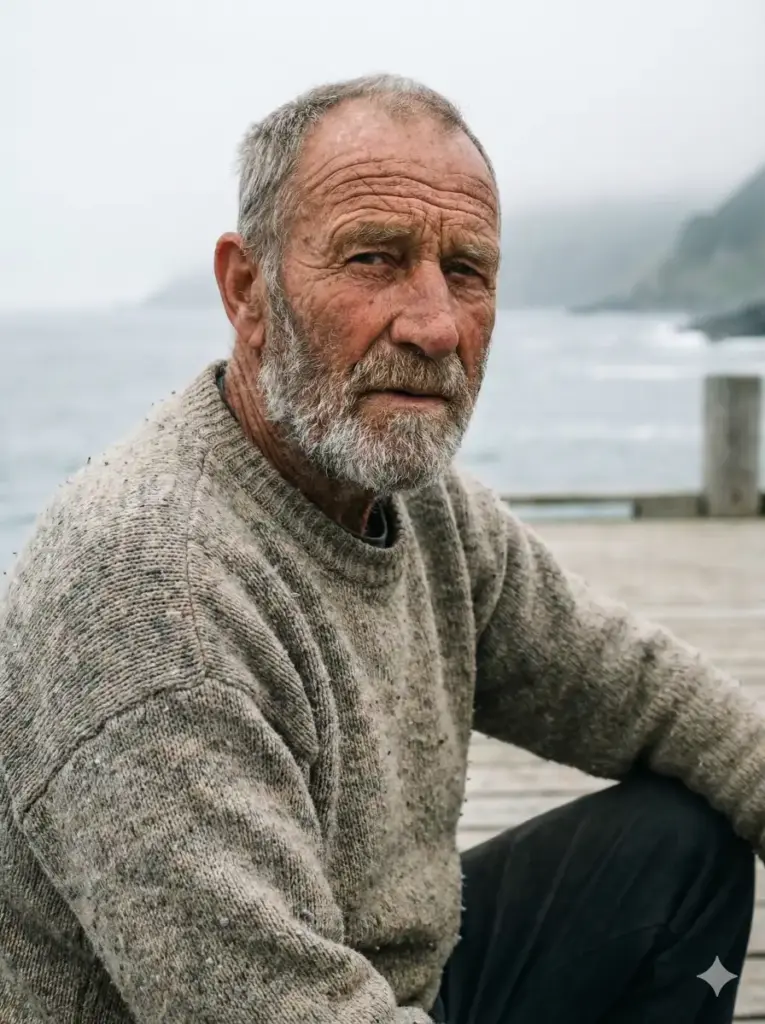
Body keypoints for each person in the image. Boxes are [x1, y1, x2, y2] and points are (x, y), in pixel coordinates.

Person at [0, 73, 760, 1024]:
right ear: (249, 291)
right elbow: (273, 1007)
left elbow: (638, 690)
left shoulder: (421, 508)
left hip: (396, 983)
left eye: (468, 271)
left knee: (681, 845)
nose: (436, 325)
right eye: (373, 258)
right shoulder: (146, 596)